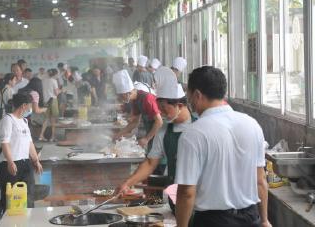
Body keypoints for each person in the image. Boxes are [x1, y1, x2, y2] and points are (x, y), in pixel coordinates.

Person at [175, 66, 271, 227]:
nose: (189, 102)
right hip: (250, 218)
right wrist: (265, 220)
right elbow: (260, 180)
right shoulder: (252, 124)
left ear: (197, 95)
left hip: (213, 221)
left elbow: (187, 193)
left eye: (189, 96)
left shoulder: (193, 134)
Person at [117, 67, 191, 213]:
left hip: (201, 202)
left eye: (164, 108)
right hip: (176, 199)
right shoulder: (164, 131)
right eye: (159, 108)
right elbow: (150, 163)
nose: (161, 113)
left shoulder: (199, 126)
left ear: (180, 106)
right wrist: (127, 183)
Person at [0, 93, 43, 227]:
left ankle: (27, 223)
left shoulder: (24, 121)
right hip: (9, 164)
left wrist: (36, 160)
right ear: (24, 106)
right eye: (30, 105)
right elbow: (4, 143)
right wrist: (10, 162)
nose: (31, 108)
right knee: (8, 199)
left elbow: (29, 143)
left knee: (28, 196)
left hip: (25, 163)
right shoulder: (8, 120)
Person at [112, 70, 162, 149]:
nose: (121, 99)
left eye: (121, 96)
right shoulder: (135, 100)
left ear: (127, 93)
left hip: (159, 131)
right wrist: (118, 135)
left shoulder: (147, 98)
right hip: (150, 129)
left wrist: (146, 139)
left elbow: (159, 121)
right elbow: (135, 122)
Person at [40, 69, 60, 141]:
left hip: (45, 101)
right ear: (55, 74)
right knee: (53, 119)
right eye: (57, 74)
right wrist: (61, 90)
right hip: (53, 100)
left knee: (46, 119)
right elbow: (56, 93)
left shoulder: (43, 80)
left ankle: (41, 135)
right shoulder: (54, 81)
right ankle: (52, 137)